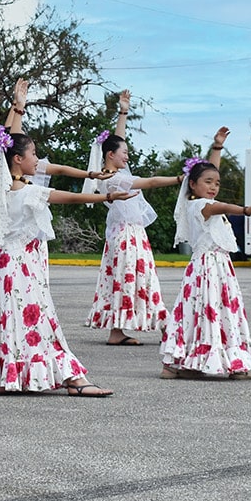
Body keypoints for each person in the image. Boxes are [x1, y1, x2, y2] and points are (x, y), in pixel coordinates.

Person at [0, 78, 129, 397]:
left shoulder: (0, 185)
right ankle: (72, 379)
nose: (37, 160)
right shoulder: (25, 190)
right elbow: (67, 196)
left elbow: (4, 147)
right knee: (39, 320)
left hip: (3, 267)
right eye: (33, 154)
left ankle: (9, 375)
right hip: (21, 268)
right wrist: (106, 198)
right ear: (17, 160)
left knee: (12, 321)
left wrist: (18, 107)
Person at [160, 131, 251, 380]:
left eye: (217, 183)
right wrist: (243, 210)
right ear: (192, 184)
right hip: (209, 267)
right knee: (213, 311)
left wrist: (217, 148)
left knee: (201, 312)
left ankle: (186, 364)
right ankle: (230, 364)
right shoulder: (199, 205)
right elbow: (218, 205)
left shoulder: (199, 200)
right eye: (208, 182)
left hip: (212, 266)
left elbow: (210, 175)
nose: (213, 187)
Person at [82, 89, 177, 346]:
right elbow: (152, 181)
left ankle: (119, 330)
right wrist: (179, 179)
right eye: (123, 153)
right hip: (127, 235)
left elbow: (117, 140)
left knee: (125, 279)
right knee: (137, 277)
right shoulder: (117, 178)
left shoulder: (106, 173)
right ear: (110, 155)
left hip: (124, 234)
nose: (127, 155)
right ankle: (165, 325)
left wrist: (123, 111)